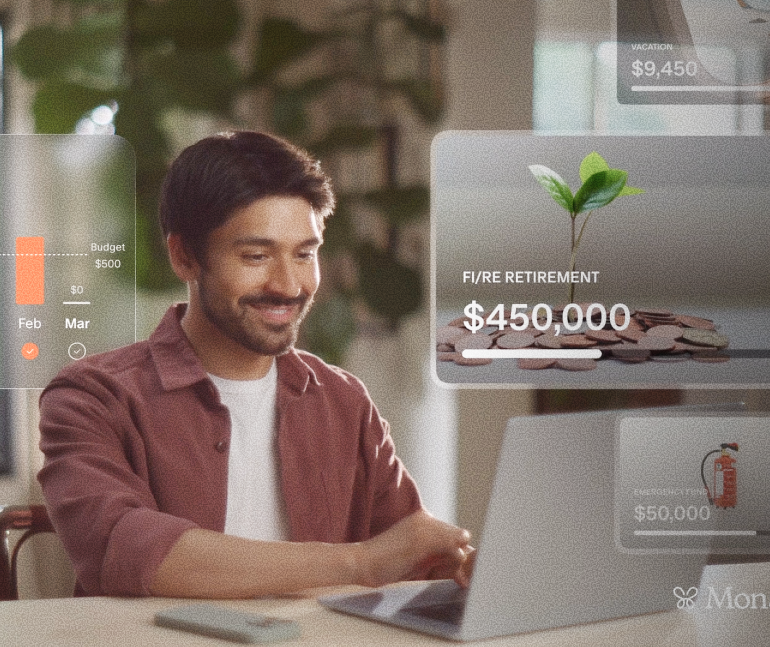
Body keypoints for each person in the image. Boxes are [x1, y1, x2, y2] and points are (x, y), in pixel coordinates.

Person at [37, 131, 473, 599]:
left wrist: (460, 564)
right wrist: (361, 564)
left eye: (305, 254)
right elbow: (133, 558)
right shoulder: (91, 398)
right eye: (256, 256)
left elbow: (411, 557)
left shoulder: (344, 401)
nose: (288, 285)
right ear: (184, 256)